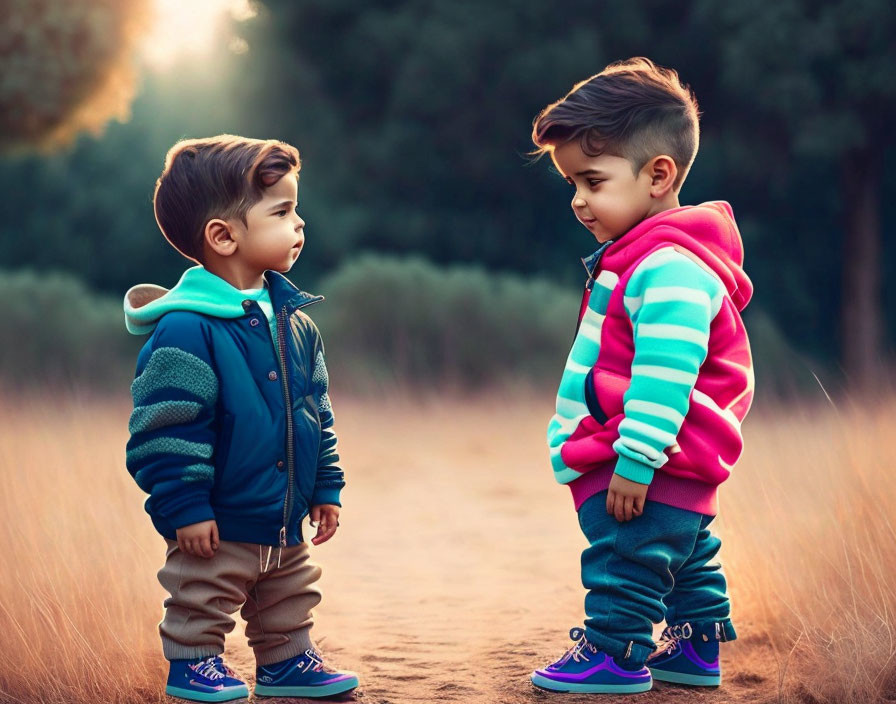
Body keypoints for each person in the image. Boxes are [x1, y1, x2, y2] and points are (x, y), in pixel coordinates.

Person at [528, 58, 754, 694]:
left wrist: (635, 459)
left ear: (659, 175)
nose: (578, 200)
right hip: (672, 460)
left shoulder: (669, 267)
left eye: (592, 181)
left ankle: (614, 654)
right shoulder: (652, 257)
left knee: (626, 555)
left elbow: (666, 374)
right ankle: (696, 648)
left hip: (649, 456)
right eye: (572, 183)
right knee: (683, 553)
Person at [123, 135, 359, 702]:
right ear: (223, 236)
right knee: (202, 591)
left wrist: (325, 485)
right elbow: (165, 430)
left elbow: (316, 413)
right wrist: (185, 506)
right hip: (218, 514)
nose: (300, 224)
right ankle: (193, 664)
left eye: (295, 208)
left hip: (283, 507)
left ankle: (286, 662)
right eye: (282, 211)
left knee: (289, 589)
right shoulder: (187, 329)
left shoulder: (296, 321)